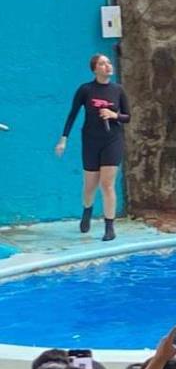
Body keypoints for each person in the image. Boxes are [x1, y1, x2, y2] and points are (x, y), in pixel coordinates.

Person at [55, 54, 130, 242]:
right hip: (91, 140)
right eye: (102, 64)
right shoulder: (86, 90)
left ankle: (109, 227)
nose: (107, 66)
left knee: (107, 184)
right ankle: (87, 210)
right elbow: (72, 114)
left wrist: (114, 115)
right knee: (90, 185)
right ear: (95, 69)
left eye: (109, 63)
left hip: (113, 139)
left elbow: (128, 116)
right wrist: (63, 139)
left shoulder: (118, 90)